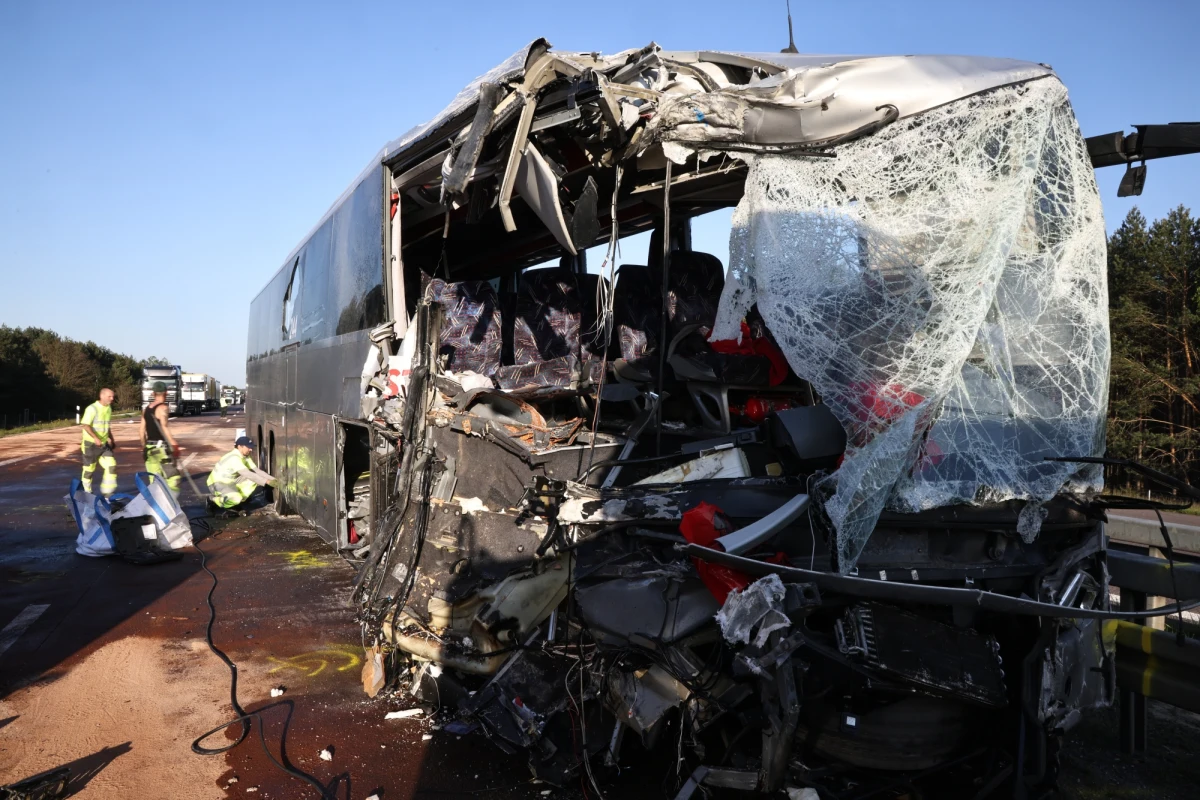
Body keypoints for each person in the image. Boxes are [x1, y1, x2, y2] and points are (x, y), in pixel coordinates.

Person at [207, 436, 276, 512]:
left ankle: (239, 501)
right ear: (240, 447)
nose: (251, 449)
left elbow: (257, 471)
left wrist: (274, 480)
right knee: (236, 498)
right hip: (217, 484)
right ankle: (213, 500)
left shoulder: (245, 456)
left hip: (231, 481)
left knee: (254, 479)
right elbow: (247, 474)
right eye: (248, 447)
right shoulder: (234, 458)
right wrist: (267, 481)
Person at [141, 382, 182, 494]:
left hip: (150, 448)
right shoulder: (163, 408)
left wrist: (144, 447)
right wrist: (174, 444)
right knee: (173, 478)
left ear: (153, 393)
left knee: (154, 480)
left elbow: (141, 431)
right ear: (166, 393)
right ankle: (171, 505)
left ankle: (156, 506)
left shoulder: (146, 409)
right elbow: (164, 427)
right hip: (161, 449)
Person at [80, 388, 118, 497]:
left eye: (113, 396)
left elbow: (107, 425)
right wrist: (95, 438)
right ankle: (87, 493)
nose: (112, 398)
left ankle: (107, 494)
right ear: (102, 396)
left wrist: (111, 438)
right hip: (91, 445)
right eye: (109, 396)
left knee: (111, 465)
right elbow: (85, 425)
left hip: (104, 445)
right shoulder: (92, 409)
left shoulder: (109, 408)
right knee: (89, 470)